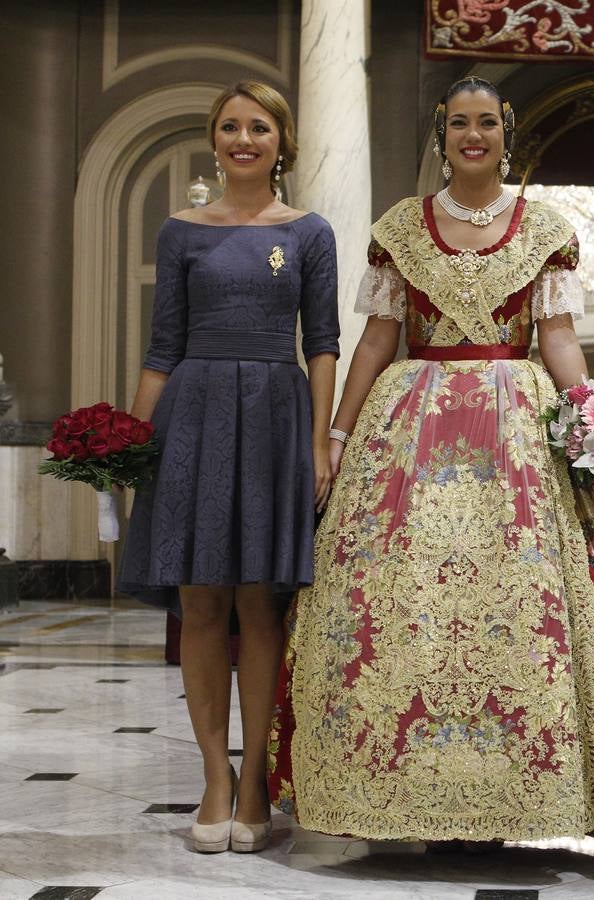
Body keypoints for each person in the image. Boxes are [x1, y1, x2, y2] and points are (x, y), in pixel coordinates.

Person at [266, 76, 594, 842]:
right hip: (410, 430)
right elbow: (377, 338)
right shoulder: (401, 227)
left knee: (516, 605)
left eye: (486, 123)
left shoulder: (544, 228)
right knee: (403, 602)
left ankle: (517, 790)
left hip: (516, 435)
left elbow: (555, 335)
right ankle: (397, 785)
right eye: (459, 123)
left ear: (506, 132)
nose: (473, 135)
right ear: (442, 135)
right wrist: (336, 434)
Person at [118, 81, 339, 853]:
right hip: (194, 416)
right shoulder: (180, 230)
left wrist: (320, 444)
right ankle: (215, 777)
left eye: (259, 127)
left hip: (276, 418)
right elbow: (161, 348)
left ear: (282, 141)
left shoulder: (310, 232)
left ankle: (255, 783)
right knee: (201, 605)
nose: (244, 139)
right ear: (214, 140)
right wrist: (130, 441)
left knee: (260, 606)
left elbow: (323, 345)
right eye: (230, 127)